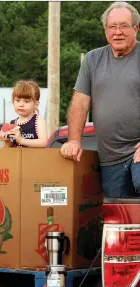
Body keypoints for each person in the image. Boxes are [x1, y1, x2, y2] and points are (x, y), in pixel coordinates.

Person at [60, 1, 140, 198]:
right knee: (118, 218)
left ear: (136, 29)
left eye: (124, 26)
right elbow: (80, 102)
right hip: (110, 159)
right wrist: (74, 140)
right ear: (106, 31)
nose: (117, 32)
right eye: (112, 26)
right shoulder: (92, 59)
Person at [0, 80, 48, 147]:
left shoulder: (38, 120)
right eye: (17, 101)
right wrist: (7, 141)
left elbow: (44, 142)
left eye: (26, 101)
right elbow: (9, 149)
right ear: (13, 102)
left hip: (34, 157)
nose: (21, 104)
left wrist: (21, 140)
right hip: (17, 157)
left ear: (36, 104)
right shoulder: (13, 123)